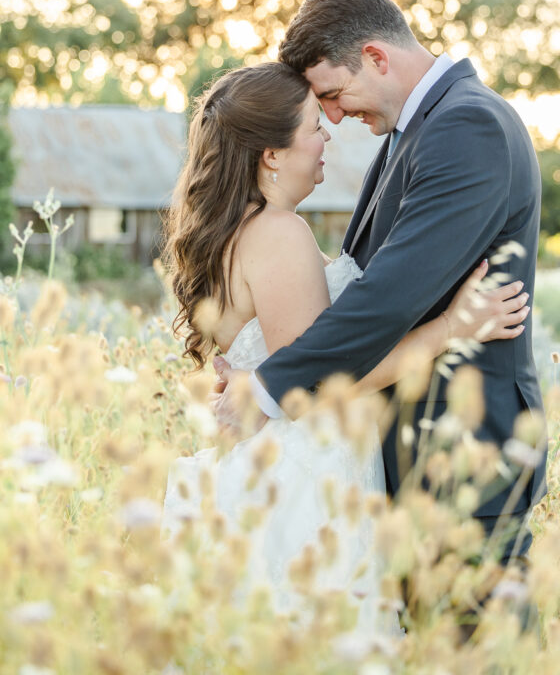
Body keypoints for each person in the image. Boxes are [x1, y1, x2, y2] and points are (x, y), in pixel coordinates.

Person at [162, 61, 528, 628]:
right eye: (312, 124)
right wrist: (451, 327)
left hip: (291, 466)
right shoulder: (278, 234)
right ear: (272, 155)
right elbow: (329, 381)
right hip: (307, 482)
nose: (327, 132)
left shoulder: (241, 230)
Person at [215, 0, 547, 567]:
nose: (335, 117)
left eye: (335, 94)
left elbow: (388, 297)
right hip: (406, 460)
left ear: (375, 57)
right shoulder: (415, 132)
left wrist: (266, 386)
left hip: (463, 460)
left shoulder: (465, 127)